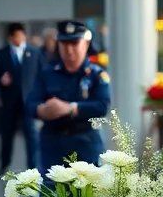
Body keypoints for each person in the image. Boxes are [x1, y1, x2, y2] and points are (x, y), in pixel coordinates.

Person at [27, 21, 110, 173]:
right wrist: (42, 110)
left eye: (74, 43)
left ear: (85, 44)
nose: (69, 49)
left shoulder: (96, 75)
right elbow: (31, 104)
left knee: (88, 194)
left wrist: (70, 108)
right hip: (53, 145)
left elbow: (101, 106)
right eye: (64, 44)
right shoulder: (47, 74)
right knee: (52, 194)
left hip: (85, 143)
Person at [0, 22, 40, 173]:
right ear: (10, 37)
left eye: (21, 35)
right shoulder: (1, 54)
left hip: (28, 102)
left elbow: (42, 75)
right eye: (16, 35)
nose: (19, 38)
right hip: (9, 102)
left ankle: (33, 165)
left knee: (31, 135)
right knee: (7, 136)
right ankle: (4, 164)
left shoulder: (34, 53)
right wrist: (0, 81)